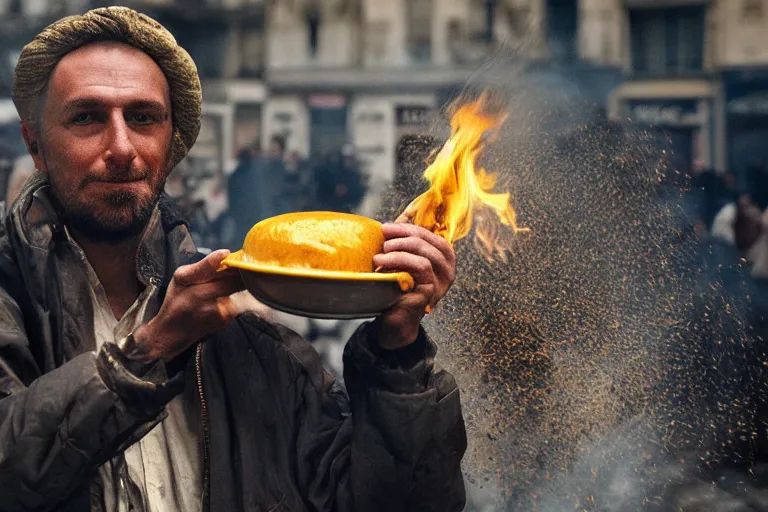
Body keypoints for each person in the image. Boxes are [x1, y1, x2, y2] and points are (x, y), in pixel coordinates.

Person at [0, 7, 467, 512]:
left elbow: (384, 500)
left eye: (143, 118)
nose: (121, 146)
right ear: (36, 146)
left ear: (170, 142)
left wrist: (398, 353)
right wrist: (153, 349)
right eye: (86, 117)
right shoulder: (12, 300)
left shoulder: (242, 331)